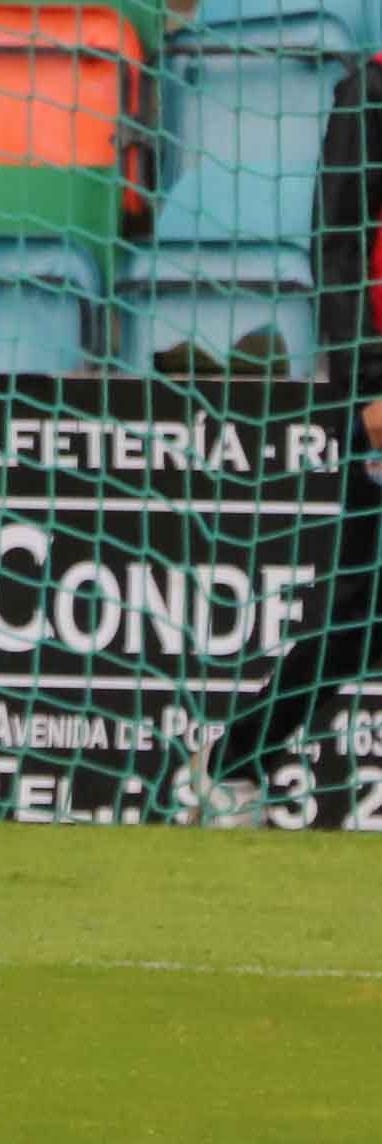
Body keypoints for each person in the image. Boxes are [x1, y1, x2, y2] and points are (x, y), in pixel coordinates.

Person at [190, 59, 382, 826]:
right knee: (359, 609)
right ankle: (234, 760)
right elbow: (339, 245)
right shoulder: (371, 93)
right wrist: (367, 384)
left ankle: (234, 761)